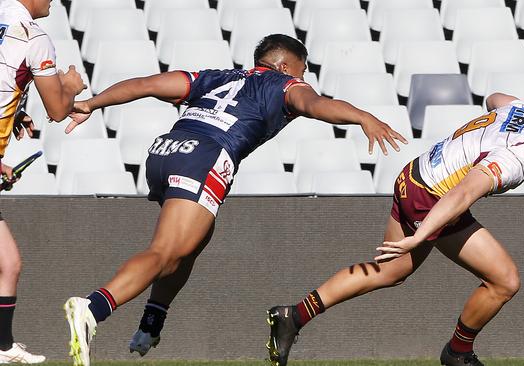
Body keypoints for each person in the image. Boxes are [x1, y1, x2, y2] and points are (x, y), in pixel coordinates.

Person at [62, 34, 407, 366]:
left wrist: (92, 104)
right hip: (206, 157)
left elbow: (147, 84)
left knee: (193, 241)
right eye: (303, 73)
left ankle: (153, 320)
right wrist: (363, 116)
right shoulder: (284, 84)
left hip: (166, 151)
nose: (305, 81)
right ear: (286, 67)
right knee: (166, 251)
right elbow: (316, 105)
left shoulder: (217, 77)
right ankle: (92, 309)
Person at [267, 95, 524, 366]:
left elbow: (493, 99)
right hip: (431, 197)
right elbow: (462, 194)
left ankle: (293, 316)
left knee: (391, 271)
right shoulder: (516, 160)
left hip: (414, 174)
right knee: (505, 280)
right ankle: (458, 353)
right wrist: (419, 234)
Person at [0, 0, 85, 363]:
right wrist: (71, 85)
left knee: (9, 264)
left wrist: (15, 113)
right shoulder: (34, 37)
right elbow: (57, 110)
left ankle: (2, 347)